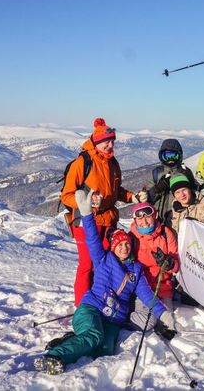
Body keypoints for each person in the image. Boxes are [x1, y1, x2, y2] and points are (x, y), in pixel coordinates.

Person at [35, 189, 174, 375]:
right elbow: (92, 238)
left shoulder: (136, 271)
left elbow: (147, 296)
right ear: (114, 248)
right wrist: (86, 213)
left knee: (104, 350)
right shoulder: (103, 260)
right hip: (92, 309)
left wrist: (163, 315)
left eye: (126, 244)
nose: (124, 248)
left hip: (112, 320)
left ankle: (70, 340)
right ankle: (54, 356)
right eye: (119, 245)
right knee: (94, 337)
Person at [61, 118, 139, 307]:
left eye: (113, 141)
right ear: (96, 142)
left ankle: (100, 299)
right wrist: (84, 204)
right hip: (85, 221)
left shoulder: (113, 163)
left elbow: (116, 191)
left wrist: (132, 198)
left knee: (104, 266)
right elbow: (66, 195)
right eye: (106, 141)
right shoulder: (83, 162)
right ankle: (82, 307)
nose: (110, 145)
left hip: (108, 220)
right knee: (87, 265)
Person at [128, 203, 179, 310]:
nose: (144, 222)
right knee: (148, 320)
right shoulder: (131, 238)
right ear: (135, 221)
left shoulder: (165, 233)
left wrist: (169, 264)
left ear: (155, 216)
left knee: (165, 319)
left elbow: (177, 265)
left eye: (148, 217)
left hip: (163, 287)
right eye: (140, 218)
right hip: (142, 288)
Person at [145, 139, 199, 225]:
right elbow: (146, 199)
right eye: (166, 156)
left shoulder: (185, 172)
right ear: (161, 156)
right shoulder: (156, 173)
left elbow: (193, 195)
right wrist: (158, 189)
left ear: (179, 155)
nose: (170, 159)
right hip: (157, 220)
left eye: (174, 156)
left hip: (178, 219)